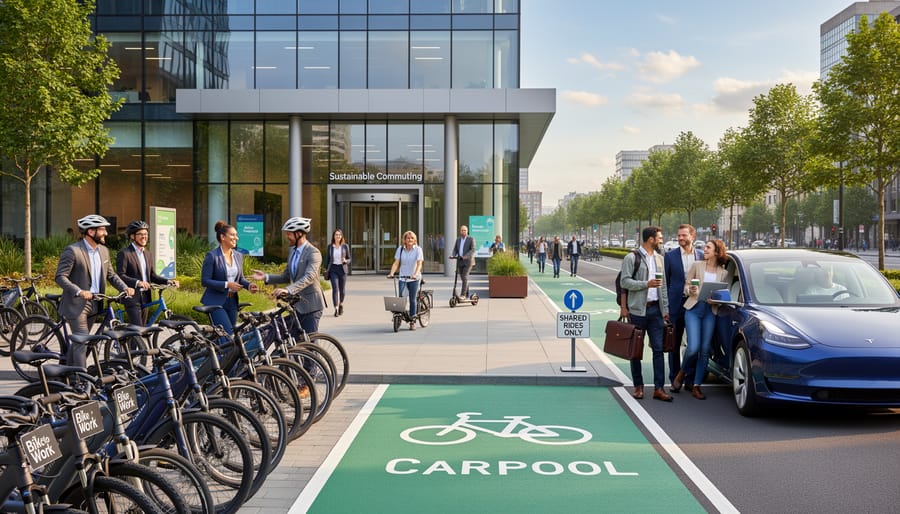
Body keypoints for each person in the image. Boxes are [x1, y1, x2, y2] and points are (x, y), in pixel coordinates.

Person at [55, 214, 134, 368]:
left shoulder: (103, 251)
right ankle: (83, 382)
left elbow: (111, 275)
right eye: (102, 229)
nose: (105, 233)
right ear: (91, 232)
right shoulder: (73, 251)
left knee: (80, 342)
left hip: (95, 303)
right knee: (82, 341)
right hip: (77, 304)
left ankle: (68, 373)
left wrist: (124, 287)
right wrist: (78, 291)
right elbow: (60, 277)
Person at [620, 226, 671, 402]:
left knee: (658, 349)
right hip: (637, 311)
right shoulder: (631, 257)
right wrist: (645, 284)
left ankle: (659, 388)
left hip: (656, 310)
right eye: (659, 238)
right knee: (636, 351)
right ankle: (638, 387)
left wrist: (666, 310)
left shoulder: (660, 259)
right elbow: (624, 282)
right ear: (651, 239)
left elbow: (663, 286)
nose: (661, 240)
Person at [251, 217, 325, 337]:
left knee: (309, 345)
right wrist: (266, 277)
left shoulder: (313, 252)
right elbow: (286, 276)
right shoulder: (293, 253)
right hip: (296, 306)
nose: (287, 236)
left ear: (299, 234)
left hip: (311, 306)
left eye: (289, 234)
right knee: (291, 342)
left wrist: (288, 290)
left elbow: (309, 277)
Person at [675, 239, 730, 400]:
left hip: (710, 311)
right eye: (705, 246)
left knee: (705, 350)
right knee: (693, 347)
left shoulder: (723, 272)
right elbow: (685, 286)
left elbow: (723, 294)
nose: (704, 249)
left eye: (708, 247)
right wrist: (690, 289)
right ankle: (682, 372)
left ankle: (697, 386)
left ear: (717, 252)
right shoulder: (697, 265)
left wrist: (717, 299)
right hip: (694, 309)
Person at [663, 224, 704, 393]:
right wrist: (665, 307)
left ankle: (689, 377)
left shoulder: (701, 256)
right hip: (676, 305)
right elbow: (665, 283)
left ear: (692, 236)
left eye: (684, 235)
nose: (680, 238)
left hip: (695, 304)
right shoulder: (670, 256)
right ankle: (674, 378)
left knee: (694, 344)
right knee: (674, 342)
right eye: (679, 235)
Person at [116, 220, 179, 325]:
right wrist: (137, 282)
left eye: (145, 234)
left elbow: (152, 275)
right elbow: (120, 275)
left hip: (145, 296)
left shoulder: (148, 254)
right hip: (131, 297)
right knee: (138, 329)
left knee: (142, 329)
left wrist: (168, 281)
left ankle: (132, 341)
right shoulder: (125, 254)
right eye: (140, 234)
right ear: (132, 236)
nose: (144, 237)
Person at [201, 220, 258, 334]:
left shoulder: (238, 256)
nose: (236, 238)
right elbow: (205, 281)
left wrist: (249, 285)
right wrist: (227, 284)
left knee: (232, 335)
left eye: (236, 235)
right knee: (227, 334)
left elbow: (240, 278)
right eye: (232, 235)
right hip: (215, 301)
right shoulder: (212, 256)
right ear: (222, 237)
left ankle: (214, 350)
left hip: (232, 301)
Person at [387, 230, 425, 330]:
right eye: (408, 238)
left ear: (415, 240)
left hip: (414, 278)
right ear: (404, 239)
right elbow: (396, 263)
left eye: (412, 238)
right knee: (401, 298)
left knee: (412, 299)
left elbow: (419, 263)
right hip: (403, 277)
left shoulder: (418, 250)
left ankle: (413, 321)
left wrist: (415, 274)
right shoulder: (400, 249)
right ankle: (399, 317)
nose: (410, 240)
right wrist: (391, 273)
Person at [324, 228, 350, 317]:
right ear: (334, 236)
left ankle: (341, 304)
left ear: (341, 236)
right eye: (336, 235)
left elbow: (350, 259)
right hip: (333, 269)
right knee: (335, 289)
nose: (338, 236)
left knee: (342, 290)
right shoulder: (330, 247)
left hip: (342, 270)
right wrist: (325, 269)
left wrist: (345, 260)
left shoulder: (345, 246)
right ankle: (336, 308)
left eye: (339, 235)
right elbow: (327, 259)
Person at [450, 225, 475, 298]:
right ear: (460, 231)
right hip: (460, 261)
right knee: (463, 278)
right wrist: (453, 255)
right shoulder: (458, 239)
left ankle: (463, 294)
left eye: (465, 230)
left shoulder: (471, 239)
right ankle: (466, 293)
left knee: (464, 276)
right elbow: (455, 249)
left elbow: (473, 250)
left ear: (467, 231)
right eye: (462, 230)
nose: (463, 232)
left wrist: (466, 256)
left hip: (468, 261)